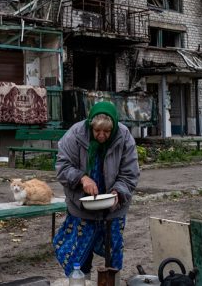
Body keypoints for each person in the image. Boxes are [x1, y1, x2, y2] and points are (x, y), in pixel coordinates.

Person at [53, 101, 140, 276]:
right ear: (90, 125)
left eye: (107, 131)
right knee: (78, 257)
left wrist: (118, 192)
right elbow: (62, 167)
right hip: (82, 206)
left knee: (113, 255)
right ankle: (81, 279)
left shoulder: (123, 136)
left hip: (113, 208)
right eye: (97, 131)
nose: (101, 136)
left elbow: (130, 174)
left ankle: (111, 280)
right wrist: (82, 178)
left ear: (114, 128)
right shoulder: (76, 134)